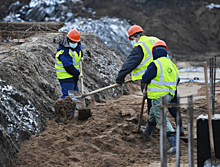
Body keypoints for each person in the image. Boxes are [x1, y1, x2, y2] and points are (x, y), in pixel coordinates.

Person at [115, 25, 184, 136]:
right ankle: (179, 130)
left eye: (132, 39)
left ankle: (153, 131)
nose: (132, 42)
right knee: (173, 104)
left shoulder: (139, 46)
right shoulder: (155, 40)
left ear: (137, 36)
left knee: (153, 107)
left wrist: (120, 78)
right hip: (169, 77)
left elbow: (130, 63)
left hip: (151, 81)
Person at [141, 40, 181, 154]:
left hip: (158, 97)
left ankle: (175, 145)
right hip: (169, 96)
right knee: (153, 114)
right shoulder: (171, 64)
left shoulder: (155, 64)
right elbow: (178, 79)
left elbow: (145, 78)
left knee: (162, 119)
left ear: (154, 52)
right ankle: (147, 132)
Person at [55, 29, 83, 120]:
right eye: (72, 41)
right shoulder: (65, 52)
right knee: (68, 97)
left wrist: (82, 56)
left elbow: (79, 51)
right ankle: (64, 116)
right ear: (68, 40)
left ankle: (71, 115)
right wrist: (78, 74)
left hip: (73, 77)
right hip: (66, 78)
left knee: (75, 96)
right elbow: (68, 67)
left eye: (75, 42)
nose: (73, 43)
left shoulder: (77, 45)